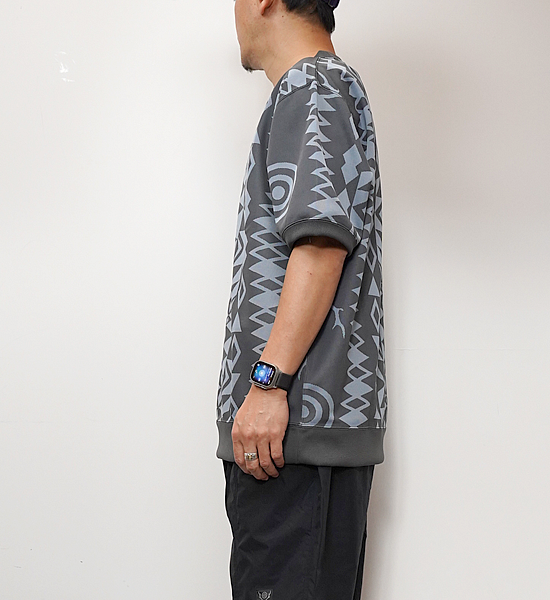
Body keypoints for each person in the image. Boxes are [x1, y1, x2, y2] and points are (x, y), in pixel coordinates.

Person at [216, 1, 388, 598]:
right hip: (297, 434)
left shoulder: (312, 86)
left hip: (291, 433)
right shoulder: (321, 87)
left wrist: (268, 386)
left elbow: (319, 246)